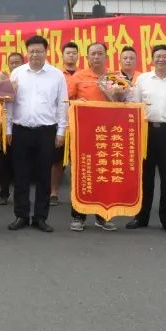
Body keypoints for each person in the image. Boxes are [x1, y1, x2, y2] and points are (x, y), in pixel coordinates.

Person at [6, 35, 67, 233]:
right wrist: (8, 129)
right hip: (20, 130)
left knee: (43, 176)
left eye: (39, 51)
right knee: (21, 175)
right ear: (27, 53)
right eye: (31, 51)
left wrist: (61, 131)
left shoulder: (56, 75)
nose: (35, 55)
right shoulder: (17, 73)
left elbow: (62, 105)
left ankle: (40, 217)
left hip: (46, 131)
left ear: (46, 52)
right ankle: (21, 216)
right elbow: (10, 103)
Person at [129, 44, 166, 234]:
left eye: (165, 56)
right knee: (144, 177)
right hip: (145, 131)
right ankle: (141, 217)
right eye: (157, 56)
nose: (161, 59)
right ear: (152, 59)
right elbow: (134, 106)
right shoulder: (143, 79)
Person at [66, 41, 118, 232]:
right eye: (93, 54)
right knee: (82, 174)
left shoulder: (114, 77)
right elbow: (66, 101)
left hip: (107, 134)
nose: (96, 57)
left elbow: (122, 103)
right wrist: (75, 102)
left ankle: (102, 216)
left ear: (106, 56)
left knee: (103, 174)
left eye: (100, 53)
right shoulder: (78, 77)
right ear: (87, 57)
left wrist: (111, 94)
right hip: (84, 133)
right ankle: (78, 216)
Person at [51, 41, 80, 206]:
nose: (71, 56)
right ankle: (53, 193)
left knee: (79, 160)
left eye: (74, 53)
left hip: (80, 124)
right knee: (57, 161)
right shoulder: (55, 74)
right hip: (60, 123)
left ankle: (78, 193)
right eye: (68, 53)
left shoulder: (83, 75)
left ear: (78, 56)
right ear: (62, 55)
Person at [0, 51, 25, 203]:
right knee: (4, 162)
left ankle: (21, 196)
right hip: (5, 125)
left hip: (22, 126)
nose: (14, 65)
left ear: (23, 63)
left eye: (17, 62)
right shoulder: (2, 80)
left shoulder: (27, 80)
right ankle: (3, 194)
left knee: (21, 163)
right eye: (11, 63)